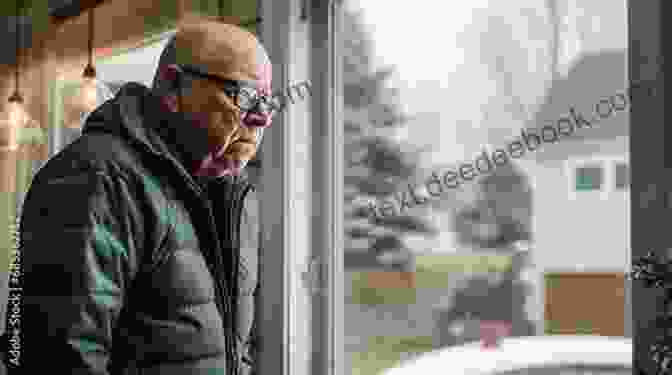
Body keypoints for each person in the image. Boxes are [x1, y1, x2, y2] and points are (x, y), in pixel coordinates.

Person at [20, 14, 274, 375]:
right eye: (245, 96)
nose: (262, 117)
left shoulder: (235, 200)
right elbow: (61, 361)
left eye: (269, 101)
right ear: (173, 86)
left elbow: (232, 354)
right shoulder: (95, 179)